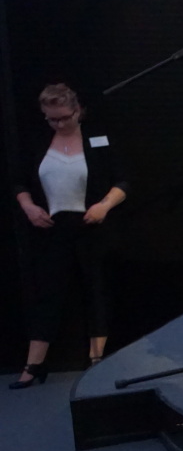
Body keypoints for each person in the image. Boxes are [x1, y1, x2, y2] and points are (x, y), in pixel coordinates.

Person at [10, 83, 127, 388]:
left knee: (96, 290)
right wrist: (29, 207)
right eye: (52, 119)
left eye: (64, 117)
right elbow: (18, 181)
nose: (59, 124)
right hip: (51, 227)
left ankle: (96, 360)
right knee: (47, 294)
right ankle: (34, 364)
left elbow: (123, 181)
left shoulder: (97, 138)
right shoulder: (39, 141)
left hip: (91, 224)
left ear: (77, 111)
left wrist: (104, 205)